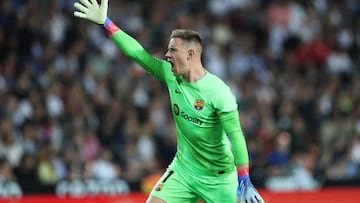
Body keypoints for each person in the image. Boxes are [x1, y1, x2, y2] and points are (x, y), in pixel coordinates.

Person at [73, 0, 265, 202]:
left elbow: (236, 135)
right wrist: (106, 23)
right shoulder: (170, 74)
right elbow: (138, 54)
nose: (166, 55)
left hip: (218, 178)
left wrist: (244, 178)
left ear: (190, 55)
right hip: (183, 171)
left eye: (173, 50)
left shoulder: (219, 92)